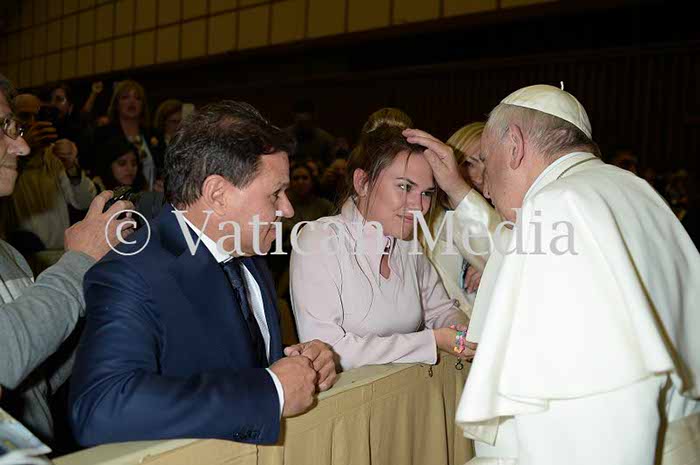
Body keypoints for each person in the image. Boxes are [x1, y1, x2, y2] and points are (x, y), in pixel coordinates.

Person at [406, 84, 700, 464]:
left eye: (487, 162)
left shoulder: (558, 204)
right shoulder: (627, 188)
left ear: (515, 145)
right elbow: (510, 251)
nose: (487, 188)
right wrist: (459, 190)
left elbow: (597, 408)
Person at [69, 100, 337, 447]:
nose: (287, 209)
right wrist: (270, 391)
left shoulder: (249, 251)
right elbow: (101, 408)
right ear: (217, 194)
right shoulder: (131, 272)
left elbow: (234, 359)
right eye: (275, 194)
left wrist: (300, 363)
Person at [0, 73, 136, 444]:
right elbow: (5, 356)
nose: (21, 146)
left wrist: (110, 302)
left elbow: (37, 374)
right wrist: (80, 262)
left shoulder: (9, 256)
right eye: (5, 126)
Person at [290, 122, 473, 372]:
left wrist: (461, 332)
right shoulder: (318, 240)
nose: (420, 206)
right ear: (362, 182)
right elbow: (329, 350)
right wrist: (431, 341)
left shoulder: (408, 243)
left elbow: (440, 309)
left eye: (427, 193)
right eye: (405, 187)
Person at [424, 122, 501, 317]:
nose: (480, 178)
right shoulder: (424, 222)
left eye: (489, 166)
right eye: (468, 164)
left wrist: (494, 275)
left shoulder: (512, 222)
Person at [4, 93, 96, 252]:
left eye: (37, 116)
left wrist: (71, 167)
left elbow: (84, 202)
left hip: (59, 254)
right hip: (20, 254)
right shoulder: (6, 157)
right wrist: (25, 153)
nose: (33, 122)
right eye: (25, 116)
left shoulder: (54, 154)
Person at [85, 80, 164, 187]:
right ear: (116, 104)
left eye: (137, 98)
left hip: (153, 195)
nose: (132, 102)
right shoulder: (103, 134)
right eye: (125, 97)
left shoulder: (154, 134)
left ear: (143, 105)